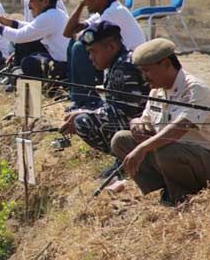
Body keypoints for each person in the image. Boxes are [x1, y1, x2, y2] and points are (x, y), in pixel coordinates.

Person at [110, 38, 210, 205]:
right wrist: (136, 124)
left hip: (208, 160)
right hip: (173, 157)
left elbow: (178, 129)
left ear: (166, 63)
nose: (144, 77)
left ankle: (181, 197)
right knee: (121, 140)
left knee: (166, 150)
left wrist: (142, 148)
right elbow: (144, 119)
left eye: (147, 71)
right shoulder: (157, 92)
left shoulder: (195, 89)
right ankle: (163, 190)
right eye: (142, 72)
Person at [59, 21, 148, 160]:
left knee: (83, 121)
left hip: (142, 127)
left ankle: (125, 157)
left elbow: (125, 112)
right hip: (137, 124)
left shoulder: (123, 67)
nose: (90, 58)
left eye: (94, 52)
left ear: (112, 47)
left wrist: (83, 113)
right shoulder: (117, 63)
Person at [63, 0, 145, 109]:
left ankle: (88, 100)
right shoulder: (103, 12)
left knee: (79, 47)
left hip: (132, 65)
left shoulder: (114, 12)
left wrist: (78, 35)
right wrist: (81, 5)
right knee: (74, 44)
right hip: (117, 59)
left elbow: (82, 37)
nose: (84, 0)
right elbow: (68, 32)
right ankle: (78, 98)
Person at [0, 0, 69, 80]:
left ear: (45, 2)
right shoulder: (56, 13)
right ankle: (16, 76)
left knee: (29, 62)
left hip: (63, 67)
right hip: (61, 62)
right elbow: (30, 28)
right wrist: (9, 22)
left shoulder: (49, 17)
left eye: (32, 1)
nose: (30, 7)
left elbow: (18, 37)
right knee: (26, 46)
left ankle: (22, 80)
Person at [3, 0, 68, 67]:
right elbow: (31, 27)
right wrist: (10, 23)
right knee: (19, 44)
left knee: (26, 54)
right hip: (43, 41)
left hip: (54, 49)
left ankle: (18, 74)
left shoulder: (52, 5)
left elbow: (28, 33)